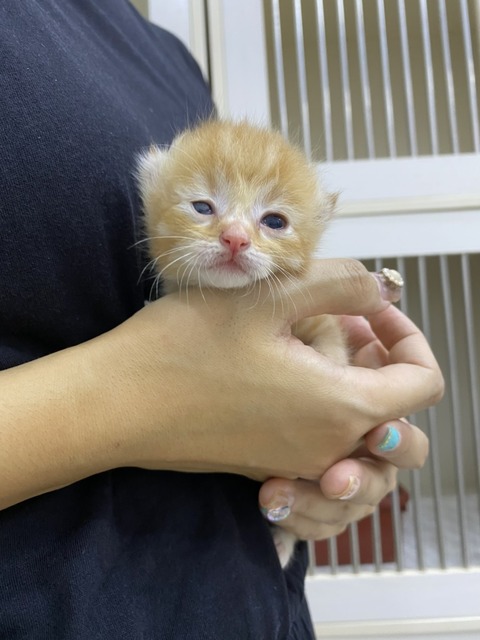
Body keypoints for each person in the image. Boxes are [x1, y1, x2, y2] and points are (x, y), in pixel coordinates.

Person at [0, 1, 443, 638]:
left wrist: (342, 439)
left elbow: (310, 387)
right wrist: (148, 394)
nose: (236, 235)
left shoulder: (168, 56)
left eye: (273, 221)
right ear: (152, 191)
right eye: (204, 207)